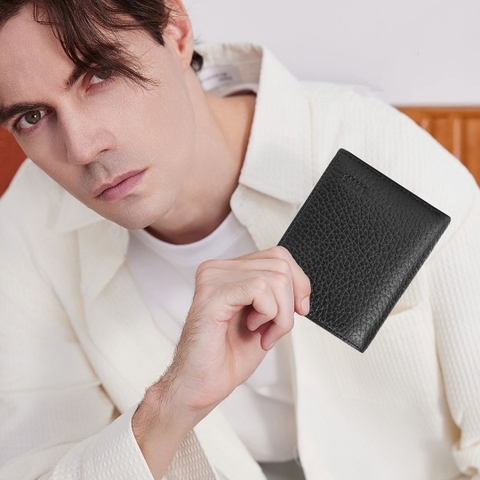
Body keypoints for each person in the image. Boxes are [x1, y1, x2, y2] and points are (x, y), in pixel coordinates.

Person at [0, 1, 479, 479]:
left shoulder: (380, 158)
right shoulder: (29, 228)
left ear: (175, 33)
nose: (82, 148)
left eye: (99, 74)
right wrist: (170, 405)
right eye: (32, 116)